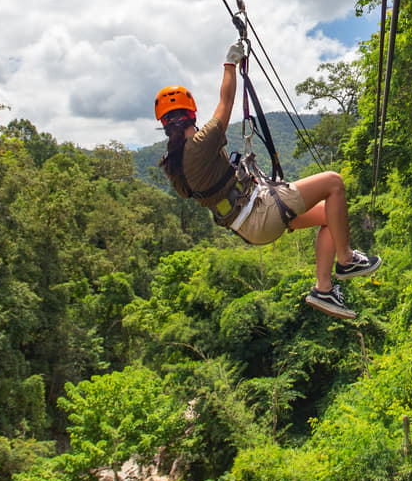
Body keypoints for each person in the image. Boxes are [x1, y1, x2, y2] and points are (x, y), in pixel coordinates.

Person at [155, 40, 381, 320]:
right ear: (192, 113)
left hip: (248, 224)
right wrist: (230, 64)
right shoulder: (200, 144)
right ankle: (346, 260)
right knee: (333, 182)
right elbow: (225, 103)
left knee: (329, 219)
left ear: (163, 124)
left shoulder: (173, 165)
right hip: (259, 212)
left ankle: (324, 289)